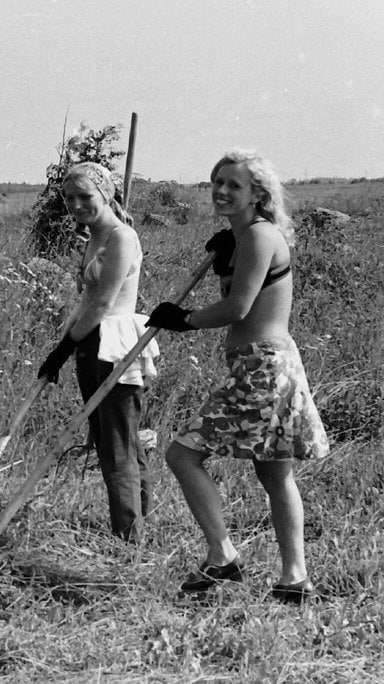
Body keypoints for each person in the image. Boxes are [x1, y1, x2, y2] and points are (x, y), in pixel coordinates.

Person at [147, 149, 329, 603]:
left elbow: (237, 308)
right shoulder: (247, 237)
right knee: (274, 476)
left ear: (258, 194)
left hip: (264, 368)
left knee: (181, 455)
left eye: (234, 185)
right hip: (270, 364)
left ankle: (223, 556)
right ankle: (294, 580)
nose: (222, 191)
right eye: (217, 182)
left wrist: (183, 318)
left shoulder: (260, 235)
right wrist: (227, 255)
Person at [36, 162, 158, 542]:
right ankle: (136, 524)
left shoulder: (122, 237)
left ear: (105, 194)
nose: (76, 205)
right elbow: (87, 300)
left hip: (116, 345)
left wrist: (65, 346)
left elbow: (104, 302)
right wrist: (66, 345)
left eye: (84, 196)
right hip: (90, 341)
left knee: (117, 444)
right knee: (113, 438)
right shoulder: (93, 236)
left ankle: (129, 538)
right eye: (69, 198)